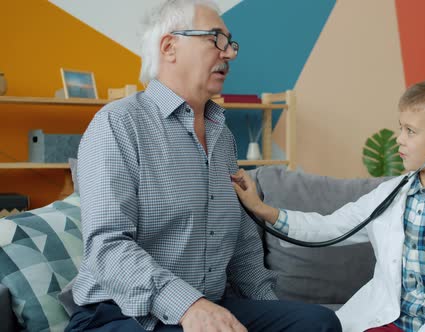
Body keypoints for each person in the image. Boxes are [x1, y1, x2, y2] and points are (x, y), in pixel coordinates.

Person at [64, 1, 341, 331]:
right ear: (170, 47)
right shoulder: (117, 124)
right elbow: (107, 247)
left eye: (230, 43)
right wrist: (189, 306)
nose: (230, 54)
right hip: (119, 312)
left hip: (209, 306)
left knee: (318, 323)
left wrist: (271, 313)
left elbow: (242, 247)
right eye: (216, 39)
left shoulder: (222, 136)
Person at [232, 77, 425, 332]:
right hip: (388, 321)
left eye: (410, 131)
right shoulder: (389, 195)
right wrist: (262, 209)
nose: (399, 138)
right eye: (401, 128)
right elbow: (330, 227)